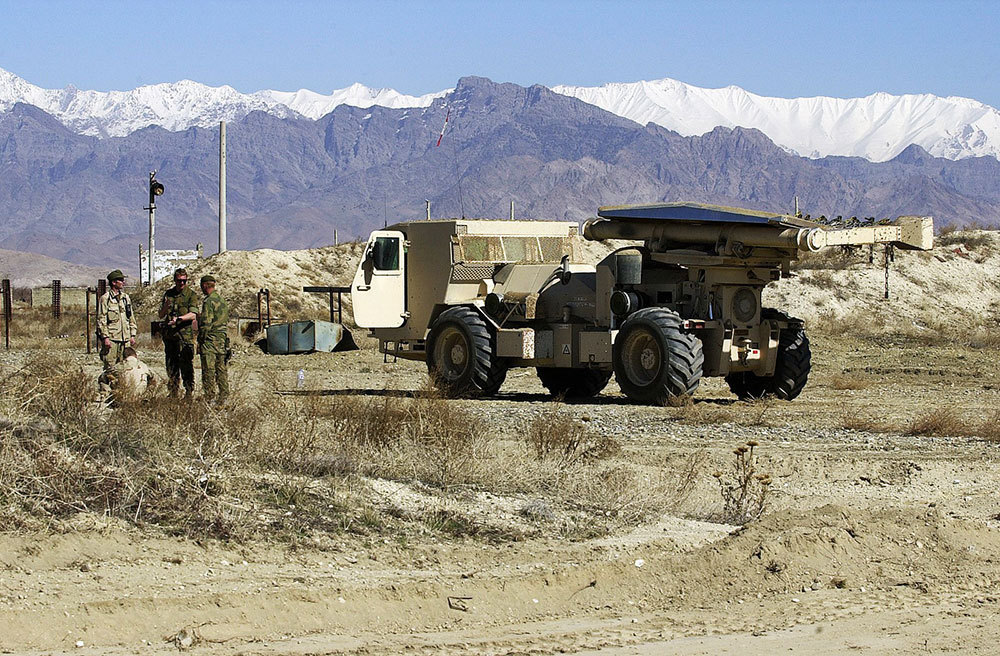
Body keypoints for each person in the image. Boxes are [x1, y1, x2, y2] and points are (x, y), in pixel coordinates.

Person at [171, 274, 230, 403]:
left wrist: (200, 340)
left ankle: (209, 397)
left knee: (208, 370)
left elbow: (206, 323)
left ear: (204, 285)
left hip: (210, 341)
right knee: (221, 369)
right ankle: (224, 396)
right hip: (221, 340)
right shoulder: (222, 300)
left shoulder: (208, 301)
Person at [158, 268, 199, 398]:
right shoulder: (168, 294)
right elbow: (161, 314)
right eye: (179, 281)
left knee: (186, 365)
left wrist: (180, 319)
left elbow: (193, 315)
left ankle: (188, 392)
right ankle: (173, 391)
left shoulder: (190, 295)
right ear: (175, 280)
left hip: (184, 336)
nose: (181, 283)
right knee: (171, 365)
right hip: (171, 336)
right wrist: (166, 305)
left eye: (184, 281)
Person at [97, 269, 137, 371]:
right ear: (114, 282)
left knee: (126, 366)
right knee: (110, 368)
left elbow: (130, 317)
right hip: (112, 339)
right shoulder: (105, 299)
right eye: (121, 280)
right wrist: (105, 337)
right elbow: (101, 319)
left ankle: (123, 387)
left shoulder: (125, 298)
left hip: (125, 339)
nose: (123, 282)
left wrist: (132, 335)